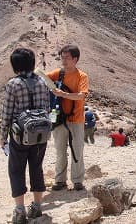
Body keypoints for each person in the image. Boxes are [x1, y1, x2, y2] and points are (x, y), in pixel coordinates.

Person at [0, 48, 50, 224]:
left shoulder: (13, 84)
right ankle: (37, 207)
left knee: (16, 170)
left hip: (19, 136)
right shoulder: (42, 82)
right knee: (37, 168)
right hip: (40, 135)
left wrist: (3, 137)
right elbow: (47, 109)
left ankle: (20, 211)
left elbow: (7, 113)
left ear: (15, 65)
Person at [47, 44, 88, 191]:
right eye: (62, 57)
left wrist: (63, 94)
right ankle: (60, 180)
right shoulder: (58, 73)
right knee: (59, 150)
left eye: (67, 58)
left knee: (77, 149)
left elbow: (81, 95)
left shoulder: (81, 76)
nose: (63, 61)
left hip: (76, 119)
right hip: (58, 119)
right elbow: (43, 79)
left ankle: (77, 180)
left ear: (75, 59)